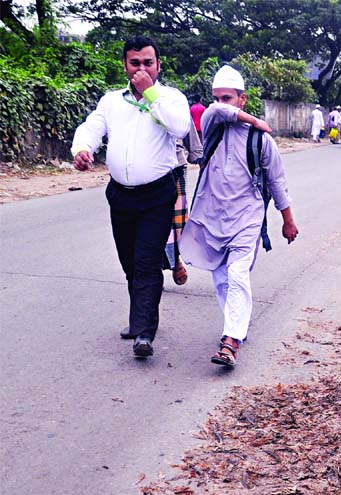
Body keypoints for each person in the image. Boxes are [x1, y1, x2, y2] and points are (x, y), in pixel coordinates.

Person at [71, 36, 191, 358]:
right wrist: (82, 149)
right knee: (129, 262)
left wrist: (150, 92)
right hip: (120, 196)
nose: (141, 68)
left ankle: (143, 332)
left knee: (147, 261)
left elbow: (180, 127)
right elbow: (91, 128)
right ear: (124, 65)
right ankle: (139, 318)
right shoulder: (111, 101)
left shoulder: (170, 98)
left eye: (147, 63)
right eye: (134, 62)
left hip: (157, 194)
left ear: (158, 65)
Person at [178, 65, 298, 368]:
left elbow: (277, 182)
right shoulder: (211, 127)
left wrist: (288, 220)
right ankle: (237, 326)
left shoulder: (261, 142)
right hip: (212, 216)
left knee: (236, 274)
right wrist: (254, 119)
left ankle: (231, 340)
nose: (220, 103)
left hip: (247, 218)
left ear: (242, 98)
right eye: (216, 97)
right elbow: (214, 113)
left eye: (228, 98)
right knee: (220, 278)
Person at [163, 126, 203, 286]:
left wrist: (199, 157)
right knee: (150, 219)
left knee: (176, 222)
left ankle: (175, 260)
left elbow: (187, 127)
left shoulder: (176, 102)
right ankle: (153, 269)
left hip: (175, 166)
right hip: (145, 167)